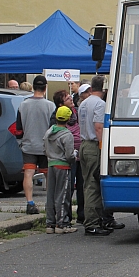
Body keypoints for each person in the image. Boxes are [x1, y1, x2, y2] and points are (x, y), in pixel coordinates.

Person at [78, 75, 125, 236]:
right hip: (94, 146)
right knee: (94, 185)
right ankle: (92, 223)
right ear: (105, 89)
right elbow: (99, 127)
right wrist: (103, 147)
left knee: (88, 183)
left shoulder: (84, 103)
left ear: (91, 88)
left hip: (84, 144)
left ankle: (98, 219)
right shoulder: (100, 104)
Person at [15, 75, 55, 214]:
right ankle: (50, 204)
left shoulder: (23, 105)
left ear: (33, 87)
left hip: (29, 145)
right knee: (48, 175)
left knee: (28, 173)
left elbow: (18, 128)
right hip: (46, 146)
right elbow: (53, 128)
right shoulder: (50, 106)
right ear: (45, 88)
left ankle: (30, 203)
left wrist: (20, 143)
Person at [50, 90, 84, 224]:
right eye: (68, 99)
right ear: (60, 104)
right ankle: (66, 217)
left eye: (71, 98)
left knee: (82, 185)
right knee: (67, 187)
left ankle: (82, 215)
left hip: (80, 153)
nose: (71, 100)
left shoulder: (76, 112)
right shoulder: (56, 117)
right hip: (67, 156)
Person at [44, 106, 78, 234]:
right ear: (68, 118)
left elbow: (44, 148)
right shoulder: (67, 134)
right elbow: (69, 155)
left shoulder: (49, 132)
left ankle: (50, 223)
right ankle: (62, 223)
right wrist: (74, 155)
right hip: (63, 166)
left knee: (51, 195)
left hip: (51, 164)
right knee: (62, 195)